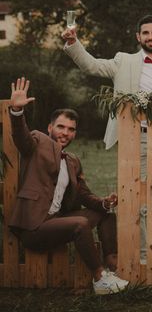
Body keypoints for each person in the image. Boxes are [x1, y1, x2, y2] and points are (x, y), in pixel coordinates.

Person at [63, 15, 152, 260]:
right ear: (138, 37)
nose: (150, 37)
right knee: (139, 196)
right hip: (136, 139)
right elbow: (91, 65)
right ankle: (143, 255)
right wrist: (73, 43)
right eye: (146, 33)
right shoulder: (124, 61)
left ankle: (150, 247)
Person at [7, 77, 128, 295]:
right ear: (50, 127)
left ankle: (112, 264)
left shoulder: (72, 160)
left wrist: (104, 202)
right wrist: (16, 111)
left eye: (71, 129)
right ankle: (100, 279)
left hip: (56, 221)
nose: (65, 132)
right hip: (34, 227)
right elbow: (20, 137)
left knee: (106, 213)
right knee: (80, 223)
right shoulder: (37, 142)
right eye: (61, 127)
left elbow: (83, 194)